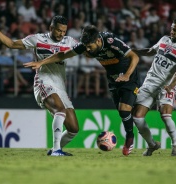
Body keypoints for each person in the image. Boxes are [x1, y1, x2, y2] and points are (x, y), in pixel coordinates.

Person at [24, 25, 157, 156]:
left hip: (129, 77)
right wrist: (41, 63)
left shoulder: (111, 42)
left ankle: (129, 138)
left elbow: (135, 57)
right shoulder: (85, 45)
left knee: (124, 109)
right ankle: (148, 142)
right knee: (122, 112)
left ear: (98, 41)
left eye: (90, 47)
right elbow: (62, 55)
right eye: (85, 46)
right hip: (113, 80)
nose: (87, 50)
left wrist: (127, 75)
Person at [0, 14, 79, 156]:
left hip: (60, 86)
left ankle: (55, 149)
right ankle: (56, 150)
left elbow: (86, 50)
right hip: (43, 82)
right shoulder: (38, 39)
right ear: (51, 27)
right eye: (58, 30)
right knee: (60, 111)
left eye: (64, 31)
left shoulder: (70, 41)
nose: (61, 34)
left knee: (73, 129)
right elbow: (12, 44)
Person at [132, 17, 176, 156]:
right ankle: (152, 145)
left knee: (165, 115)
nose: (171, 31)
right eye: (171, 28)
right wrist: (133, 51)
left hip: (166, 86)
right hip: (149, 82)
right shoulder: (164, 40)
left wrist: (171, 85)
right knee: (137, 117)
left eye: (175, 29)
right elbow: (150, 51)